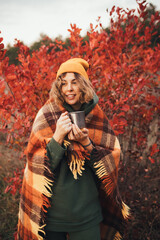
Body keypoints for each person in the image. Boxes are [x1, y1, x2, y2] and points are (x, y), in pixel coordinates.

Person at [17, 58, 130, 240]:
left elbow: (110, 165)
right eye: (63, 83)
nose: (69, 88)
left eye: (74, 82)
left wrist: (87, 144)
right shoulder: (47, 114)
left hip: (87, 215)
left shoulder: (97, 115)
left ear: (83, 85)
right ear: (58, 87)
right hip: (52, 216)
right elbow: (36, 164)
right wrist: (58, 137)